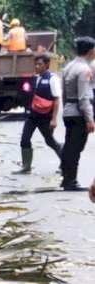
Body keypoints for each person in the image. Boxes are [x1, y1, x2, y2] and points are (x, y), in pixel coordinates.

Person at [13, 53, 63, 174]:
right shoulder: (35, 78)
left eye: (40, 64)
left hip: (46, 116)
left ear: (47, 65)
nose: (37, 66)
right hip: (33, 115)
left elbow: (56, 99)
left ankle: (66, 161)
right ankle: (26, 167)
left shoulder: (52, 78)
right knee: (25, 139)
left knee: (50, 141)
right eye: (35, 64)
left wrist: (54, 119)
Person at [60, 36, 95, 191]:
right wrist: (89, 119)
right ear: (91, 51)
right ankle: (70, 180)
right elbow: (83, 97)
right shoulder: (84, 69)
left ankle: (66, 177)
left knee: (69, 146)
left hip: (69, 110)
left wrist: (65, 108)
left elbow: (64, 94)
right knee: (75, 149)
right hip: (78, 113)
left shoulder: (69, 67)